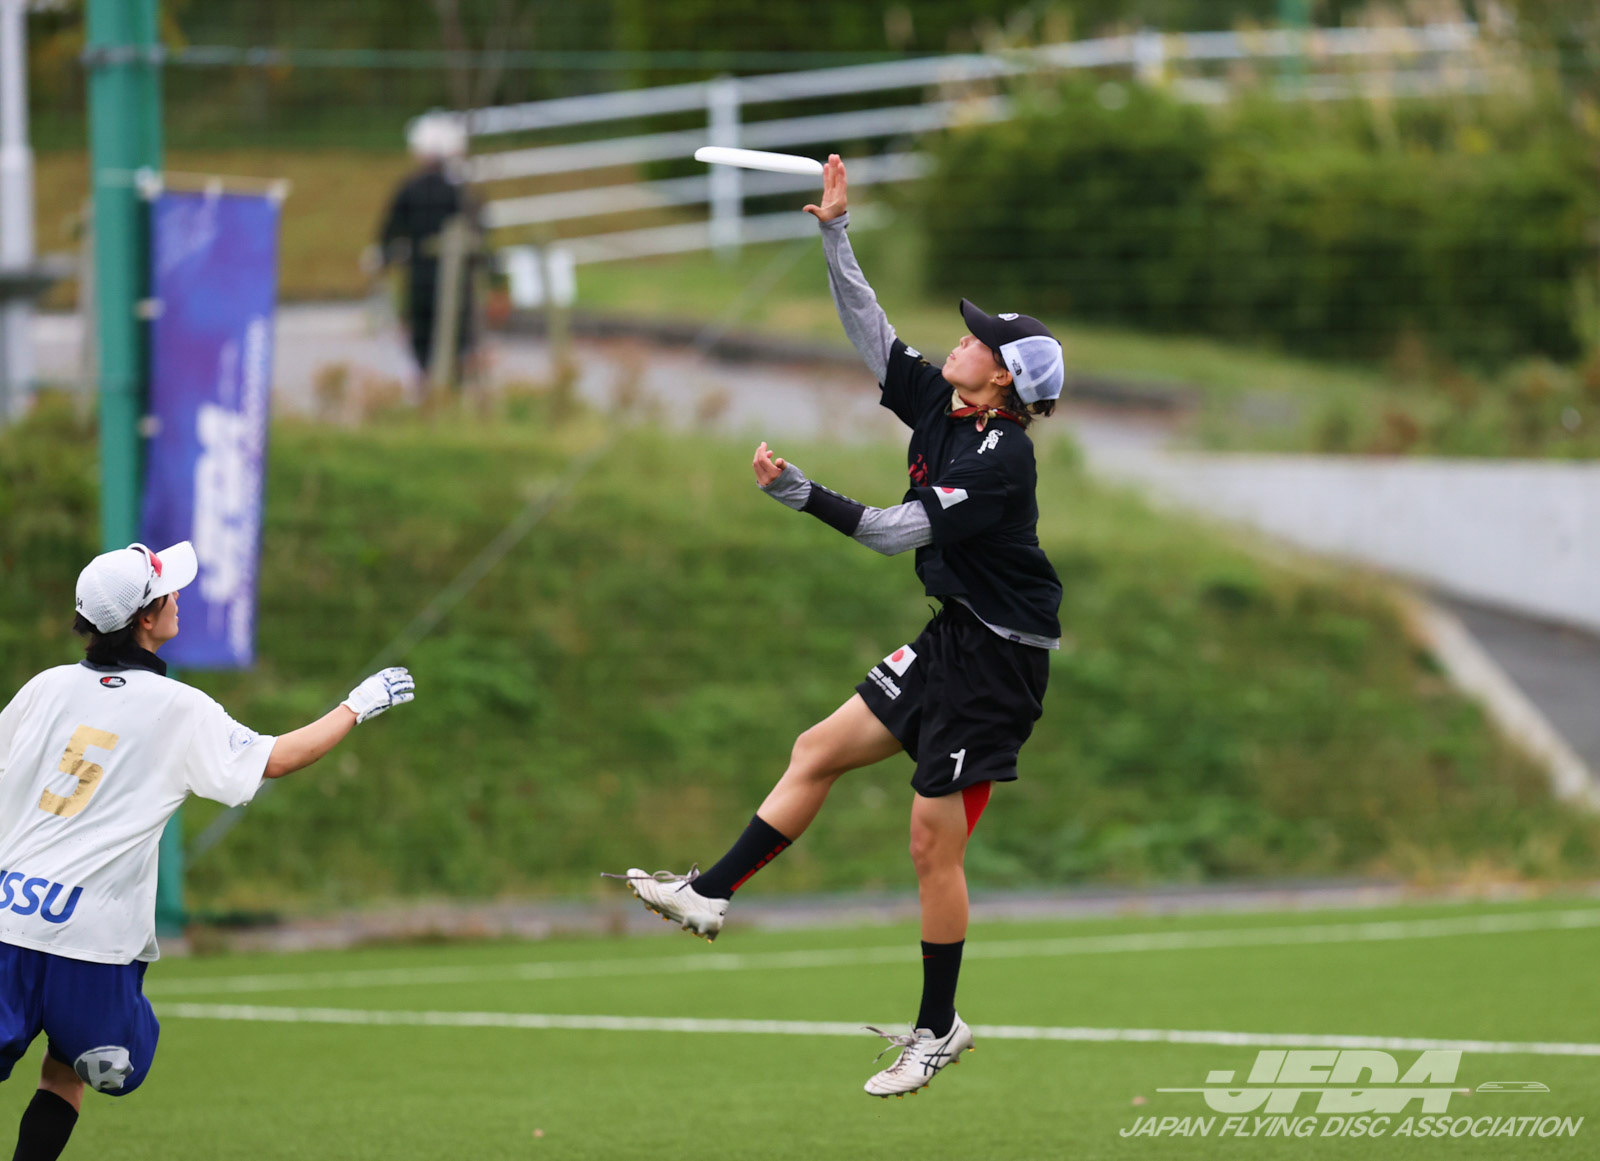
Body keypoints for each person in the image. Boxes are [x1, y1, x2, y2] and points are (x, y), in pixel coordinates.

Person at [613, 155, 1065, 1097]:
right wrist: (835, 232)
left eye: (979, 341)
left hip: (999, 665)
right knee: (816, 747)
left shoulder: (1001, 459)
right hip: (955, 633)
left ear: (1003, 380)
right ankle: (709, 893)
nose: (962, 339)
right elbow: (873, 334)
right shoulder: (947, 404)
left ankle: (937, 1029)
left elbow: (895, 533)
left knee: (931, 844)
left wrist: (801, 493)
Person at [0, 541, 416, 1160]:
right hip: (90, 938)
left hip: (7, 916)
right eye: (167, 591)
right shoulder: (178, 706)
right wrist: (356, 706)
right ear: (145, 618)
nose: (178, 597)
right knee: (68, 1073)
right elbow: (276, 758)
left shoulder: (45, 687)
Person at [374, 112, 482, 384]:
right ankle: (448, 385)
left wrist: (384, 259)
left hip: (420, 279)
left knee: (423, 336)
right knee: (455, 335)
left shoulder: (410, 189)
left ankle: (429, 381)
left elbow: (389, 232)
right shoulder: (461, 192)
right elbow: (480, 234)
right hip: (457, 283)